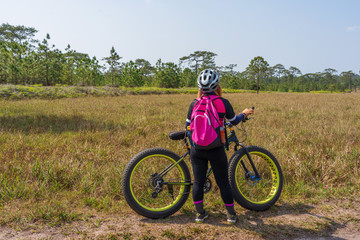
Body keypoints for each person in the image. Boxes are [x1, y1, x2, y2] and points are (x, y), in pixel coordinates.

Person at [185, 69, 254, 223]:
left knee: (198, 182)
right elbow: (234, 121)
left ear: (200, 87)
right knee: (223, 182)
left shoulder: (194, 103)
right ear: (217, 85)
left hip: (197, 149)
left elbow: (188, 127)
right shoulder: (223, 103)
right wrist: (244, 113)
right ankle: (231, 216)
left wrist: (193, 145)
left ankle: (200, 215)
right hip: (216, 149)